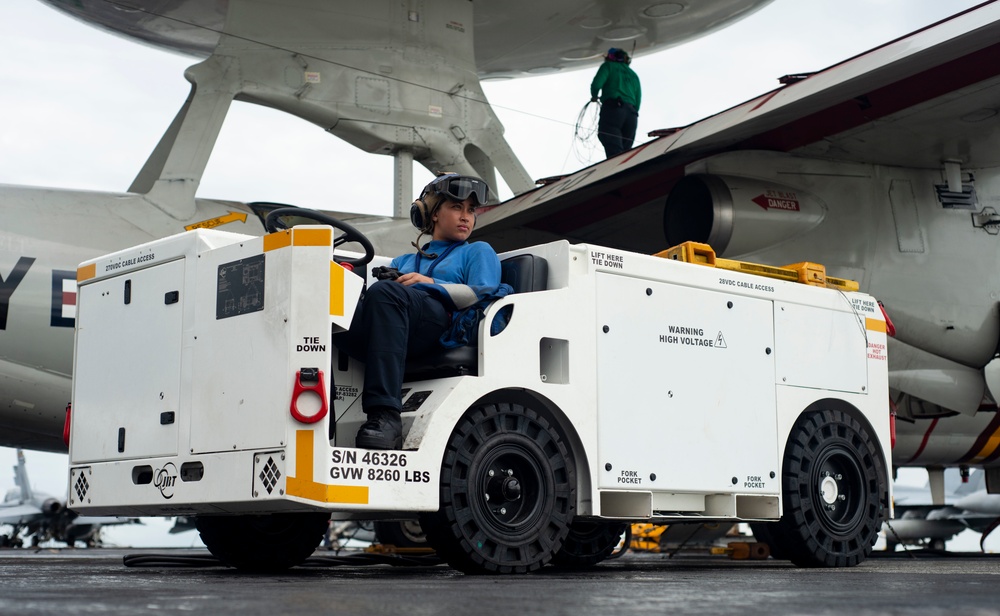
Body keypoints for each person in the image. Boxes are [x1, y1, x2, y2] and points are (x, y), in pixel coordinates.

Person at [338, 173, 509, 450]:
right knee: (329, 306)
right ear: (433, 214)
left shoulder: (477, 251)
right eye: (456, 207)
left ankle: (385, 417)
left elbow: (483, 291)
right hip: (394, 331)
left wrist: (431, 283)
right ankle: (325, 411)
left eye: (471, 210)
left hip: (441, 326)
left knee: (385, 292)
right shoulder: (403, 260)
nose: (466, 216)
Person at [590, 47, 641, 158]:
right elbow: (638, 100)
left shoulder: (608, 66)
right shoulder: (633, 75)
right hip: (632, 115)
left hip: (614, 109)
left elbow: (596, 85)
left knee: (613, 147)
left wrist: (594, 96)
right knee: (626, 153)